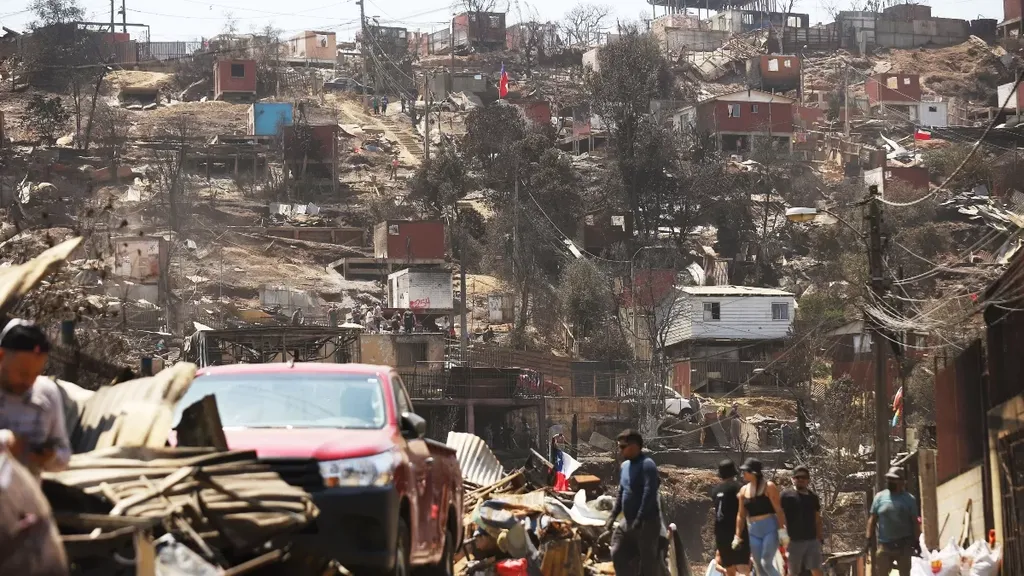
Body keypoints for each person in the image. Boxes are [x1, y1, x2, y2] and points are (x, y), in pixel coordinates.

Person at [0, 320, 71, 479]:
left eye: (36, 374)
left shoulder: (47, 393)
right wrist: (6, 442)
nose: (29, 382)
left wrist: (50, 457)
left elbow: (64, 457)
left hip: (26, 500)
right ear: (1, 356)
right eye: (23, 373)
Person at [607, 429, 666, 576]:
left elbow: (649, 493)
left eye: (623, 447)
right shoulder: (624, 467)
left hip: (647, 522)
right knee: (617, 552)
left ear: (634, 446)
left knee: (647, 564)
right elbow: (621, 492)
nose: (620, 450)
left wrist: (640, 518)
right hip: (628, 521)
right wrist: (613, 515)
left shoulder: (647, 465)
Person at [735, 457, 788, 576]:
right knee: (759, 566)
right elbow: (741, 515)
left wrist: (782, 532)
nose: (743, 473)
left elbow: (778, 510)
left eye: (746, 471)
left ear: (754, 473)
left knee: (766, 563)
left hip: (769, 528)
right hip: (753, 530)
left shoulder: (769, 486)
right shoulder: (743, 490)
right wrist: (737, 535)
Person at [867, 466, 920, 576]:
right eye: (889, 479)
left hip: (904, 546)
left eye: (893, 479)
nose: (890, 481)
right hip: (885, 546)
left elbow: (915, 522)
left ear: (902, 482)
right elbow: (872, 520)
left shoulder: (909, 499)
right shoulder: (879, 497)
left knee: (905, 573)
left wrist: (917, 541)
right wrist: (868, 539)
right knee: (881, 572)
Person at [781, 465, 823, 576]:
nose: (800, 480)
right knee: (792, 572)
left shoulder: (813, 497)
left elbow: (817, 518)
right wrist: (782, 537)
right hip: (793, 541)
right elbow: (779, 517)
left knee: (816, 570)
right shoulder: (785, 495)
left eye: (803, 477)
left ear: (808, 480)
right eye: (797, 477)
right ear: (792, 479)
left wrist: (819, 538)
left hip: (812, 541)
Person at [711, 459, 751, 576]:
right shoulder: (739, 488)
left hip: (721, 533)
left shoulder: (715, 491)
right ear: (734, 472)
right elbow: (745, 511)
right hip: (737, 532)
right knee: (743, 567)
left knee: (729, 569)